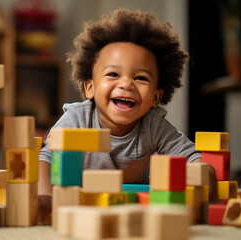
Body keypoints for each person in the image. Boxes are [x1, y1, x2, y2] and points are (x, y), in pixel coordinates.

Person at [37, 8, 217, 201]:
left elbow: (190, 157)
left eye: (141, 78)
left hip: (133, 208)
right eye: (113, 74)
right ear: (90, 87)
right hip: (84, 204)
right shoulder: (77, 118)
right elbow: (45, 157)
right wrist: (45, 196)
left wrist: (203, 172)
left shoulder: (153, 125)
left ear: (156, 97)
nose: (126, 84)